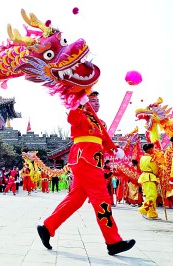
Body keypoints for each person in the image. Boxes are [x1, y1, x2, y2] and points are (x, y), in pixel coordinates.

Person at [36, 91, 135, 256]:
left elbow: (104, 141)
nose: (96, 103)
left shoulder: (99, 122)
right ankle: (113, 241)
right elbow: (71, 119)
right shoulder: (80, 114)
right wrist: (78, 102)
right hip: (85, 160)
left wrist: (114, 149)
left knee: (75, 199)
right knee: (101, 198)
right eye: (92, 100)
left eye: (98, 100)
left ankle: (47, 227)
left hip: (93, 161)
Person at [138, 143, 161, 220]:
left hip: (145, 177)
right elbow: (155, 170)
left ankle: (152, 214)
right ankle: (143, 209)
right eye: (152, 148)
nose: (153, 150)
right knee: (152, 196)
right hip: (149, 177)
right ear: (149, 150)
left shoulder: (142, 157)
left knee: (150, 196)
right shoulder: (151, 158)